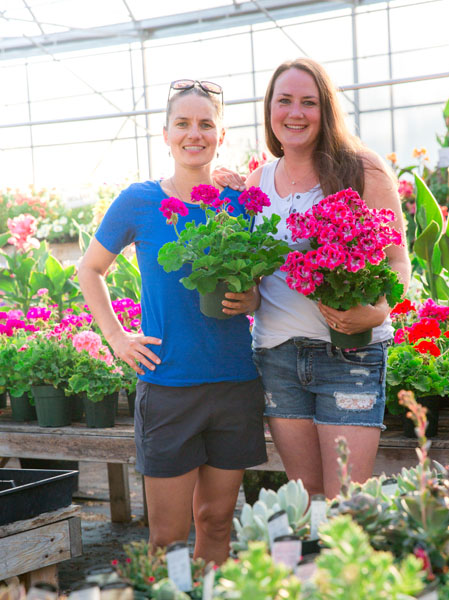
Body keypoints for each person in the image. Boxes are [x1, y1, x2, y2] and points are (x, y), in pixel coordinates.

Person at [78, 79, 267, 564]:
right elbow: (90, 269)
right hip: (168, 386)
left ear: (221, 136)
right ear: (165, 134)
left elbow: (263, 284)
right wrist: (118, 338)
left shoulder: (240, 203)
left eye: (206, 124)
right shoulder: (139, 201)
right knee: (167, 536)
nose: (194, 133)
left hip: (234, 383)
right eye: (182, 123)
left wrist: (252, 297)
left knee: (218, 521)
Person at [214, 58, 411, 499]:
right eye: (284, 101)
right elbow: (254, 272)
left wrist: (377, 311)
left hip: (350, 356)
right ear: (270, 111)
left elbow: (398, 262)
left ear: (327, 110)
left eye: (309, 102)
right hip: (278, 358)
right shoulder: (257, 182)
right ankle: (311, 571)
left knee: (347, 503)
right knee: (307, 499)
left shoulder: (362, 169)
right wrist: (247, 297)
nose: (295, 113)